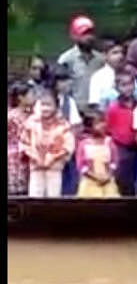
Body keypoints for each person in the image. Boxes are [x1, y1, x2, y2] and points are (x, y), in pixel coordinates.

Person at [20, 89, 75, 198]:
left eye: (49, 105)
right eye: (42, 105)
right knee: (35, 197)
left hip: (54, 167)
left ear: (56, 106)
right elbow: (24, 143)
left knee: (53, 197)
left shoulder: (63, 125)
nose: (45, 108)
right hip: (36, 166)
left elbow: (68, 146)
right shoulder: (31, 123)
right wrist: (34, 156)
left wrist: (52, 158)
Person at [57, 15, 104, 110]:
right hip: (74, 110)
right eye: (84, 34)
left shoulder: (101, 59)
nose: (89, 37)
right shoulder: (66, 59)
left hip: (97, 109)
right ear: (74, 36)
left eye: (91, 33)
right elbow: (60, 87)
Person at [105, 70, 137, 196]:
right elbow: (108, 129)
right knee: (122, 181)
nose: (128, 88)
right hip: (120, 148)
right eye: (123, 85)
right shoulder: (113, 108)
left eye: (130, 84)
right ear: (117, 87)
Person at [52, 66, 83, 195]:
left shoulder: (70, 101)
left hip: (66, 148)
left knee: (68, 185)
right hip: (49, 148)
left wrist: (69, 145)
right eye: (63, 81)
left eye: (68, 80)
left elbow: (76, 125)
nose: (66, 84)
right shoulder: (45, 100)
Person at [76, 110, 119, 199]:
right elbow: (81, 165)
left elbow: (114, 161)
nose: (103, 125)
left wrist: (108, 176)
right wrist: (95, 177)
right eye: (98, 123)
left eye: (103, 122)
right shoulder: (84, 144)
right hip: (89, 184)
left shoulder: (109, 142)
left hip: (108, 183)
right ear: (90, 127)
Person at [7, 81, 36, 196]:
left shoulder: (30, 115)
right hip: (15, 157)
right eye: (31, 94)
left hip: (27, 154)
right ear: (21, 97)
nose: (34, 97)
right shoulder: (13, 116)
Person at [88, 40, 126, 107]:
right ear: (105, 56)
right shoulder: (98, 77)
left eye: (122, 52)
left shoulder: (128, 74)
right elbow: (95, 104)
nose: (120, 56)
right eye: (115, 53)